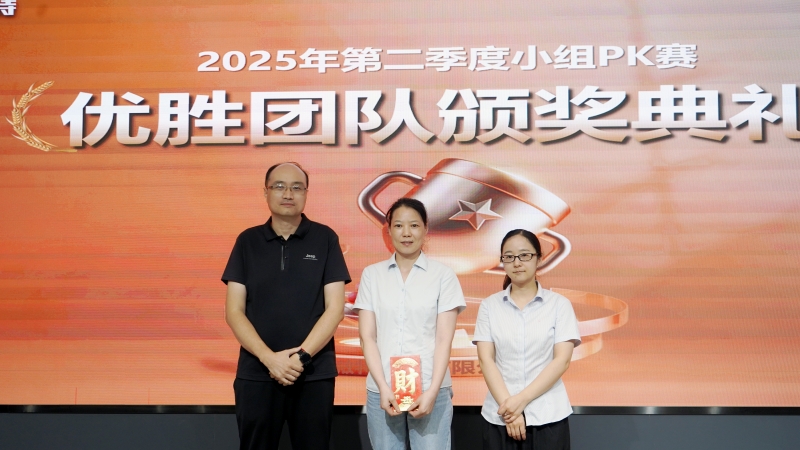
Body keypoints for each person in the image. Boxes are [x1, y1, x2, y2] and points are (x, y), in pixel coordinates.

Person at [222, 162, 351, 450]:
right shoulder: (247, 241)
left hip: (313, 373)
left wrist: (301, 358)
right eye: (279, 186)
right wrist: (270, 359)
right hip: (257, 371)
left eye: (297, 187)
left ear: (306, 193)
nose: (288, 194)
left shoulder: (325, 238)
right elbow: (234, 311)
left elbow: (335, 309)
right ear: (265, 192)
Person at [354, 198, 466, 450]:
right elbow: (367, 337)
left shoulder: (443, 275)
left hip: (430, 388)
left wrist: (432, 391)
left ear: (426, 229)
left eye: (414, 225)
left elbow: (444, 339)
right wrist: (383, 387)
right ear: (389, 230)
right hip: (382, 389)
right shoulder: (372, 275)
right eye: (398, 225)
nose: (406, 233)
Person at [473, 229, 581, 450]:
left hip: (548, 416)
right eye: (509, 257)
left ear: (539, 259)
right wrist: (511, 412)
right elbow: (486, 360)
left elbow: (562, 361)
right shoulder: (489, 306)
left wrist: (519, 401)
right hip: (500, 417)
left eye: (524, 255)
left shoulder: (559, 305)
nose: (517, 263)